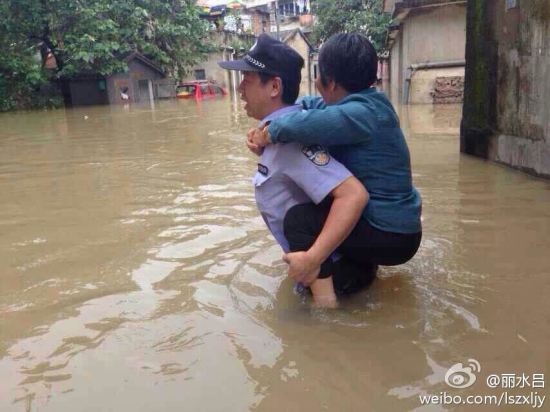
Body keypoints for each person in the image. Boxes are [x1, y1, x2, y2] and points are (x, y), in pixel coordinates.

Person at [247, 33, 423, 286]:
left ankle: (322, 300)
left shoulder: (359, 114)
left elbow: (306, 122)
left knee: (299, 220)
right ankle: (359, 273)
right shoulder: (368, 105)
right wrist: (277, 115)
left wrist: (269, 133)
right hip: (398, 230)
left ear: (328, 82)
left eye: (318, 74)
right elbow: (309, 106)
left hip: (389, 234)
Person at [218, 34, 369, 308]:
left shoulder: (292, 141)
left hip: (334, 279)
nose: (240, 89)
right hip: (321, 271)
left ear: (274, 86)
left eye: (248, 80)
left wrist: (323, 303)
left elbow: (353, 195)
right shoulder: (278, 134)